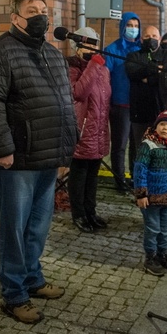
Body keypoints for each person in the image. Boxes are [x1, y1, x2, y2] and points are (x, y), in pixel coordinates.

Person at [0, 0, 77, 324]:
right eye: (32, 10)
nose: (41, 16)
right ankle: (14, 292)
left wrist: (66, 150)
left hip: (48, 155)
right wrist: (2, 148)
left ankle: (33, 277)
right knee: (15, 229)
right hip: (16, 159)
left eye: (44, 11)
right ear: (15, 18)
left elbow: (65, 104)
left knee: (38, 226)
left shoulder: (52, 53)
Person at [66, 27, 111, 233]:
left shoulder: (103, 68)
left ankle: (91, 211)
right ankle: (79, 214)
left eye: (94, 43)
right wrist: (92, 64)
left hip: (99, 128)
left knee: (93, 173)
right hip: (82, 129)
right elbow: (78, 93)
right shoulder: (72, 67)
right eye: (87, 43)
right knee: (79, 174)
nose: (92, 47)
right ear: (77, 46)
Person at [133, 109, 167, 276]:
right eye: (162, 124)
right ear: (155, 127)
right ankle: (150, 256)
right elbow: (140, 169)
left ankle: (163, 254)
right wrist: (141, 194)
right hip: (151, 198)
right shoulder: (148, 145)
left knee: (166, 228)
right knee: (152, 228)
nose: (164, 128)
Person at [103, 12, 142, 193]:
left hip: (139, 105)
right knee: (119, 145)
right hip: (120, 105)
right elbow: (105, 77)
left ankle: (136, 179)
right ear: (122, 27)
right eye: (130, 25)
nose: (133, 29)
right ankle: (119, 180)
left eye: (136, 26)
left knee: (137, 145)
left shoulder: (142, 49)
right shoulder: (113, 49)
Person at [126, 25, 167, 169]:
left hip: (161, 111)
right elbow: (132, 74)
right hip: (139, 111)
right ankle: (137, 180)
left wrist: (147, 78)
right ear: (141, 39)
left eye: (154, 36)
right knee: (139, 147)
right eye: (147, 36)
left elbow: (166, 77)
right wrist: (155, 69)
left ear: (160, 38)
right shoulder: (133, 56)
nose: (150, 39)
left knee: (161, 148)